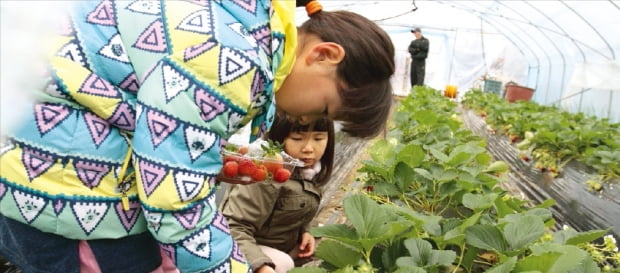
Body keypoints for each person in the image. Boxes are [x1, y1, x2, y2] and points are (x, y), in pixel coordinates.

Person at [0, 0, 394, 272]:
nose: (308, 117)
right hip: (69, 195)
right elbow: (175, 201)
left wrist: (204, 160)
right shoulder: (235, 61)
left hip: (42, 155)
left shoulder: (244, 20)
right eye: (324, 109)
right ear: (324, 55)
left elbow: (147, 112)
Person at [219, 116, 335, 273]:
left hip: (280, 245)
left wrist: (308, 230)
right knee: (283, 263)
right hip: (242, 247)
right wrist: (260, 265)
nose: (309, 147)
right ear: (279, 138)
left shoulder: (310, 172)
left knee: (322, 240)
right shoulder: (266, 175)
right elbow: (233, 227)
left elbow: (303, 208)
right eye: (297, 138)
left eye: (318, 138)